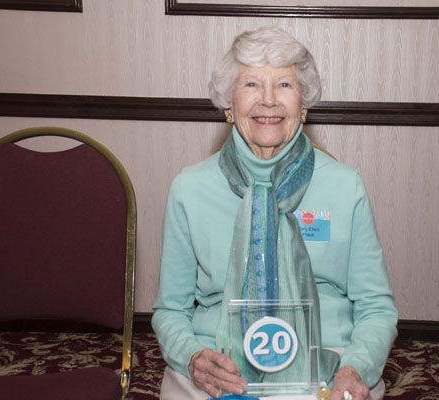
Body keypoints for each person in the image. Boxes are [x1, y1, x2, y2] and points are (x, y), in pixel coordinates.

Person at [152, 26, 398, 400]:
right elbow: (170, 310)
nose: (268, 100)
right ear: (228, 105)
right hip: (218, 365)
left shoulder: (345, 186)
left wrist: (355, 368)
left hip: (327, 364)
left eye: (284, 85)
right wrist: (193, 357)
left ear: (303, 104)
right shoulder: (189, 189)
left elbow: (376, 307)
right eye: (251, 84)